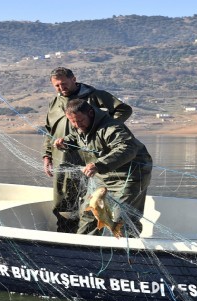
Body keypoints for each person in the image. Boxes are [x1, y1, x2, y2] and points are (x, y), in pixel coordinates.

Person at [42, 67, 133, 233]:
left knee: (89, 201)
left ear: (74, 79)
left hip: (89, 161)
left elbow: (124, 110)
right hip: (62, 161)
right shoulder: (54, 103)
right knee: (63, 203)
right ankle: (65, 237)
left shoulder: (94, 96)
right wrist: (47, 155)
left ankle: (89, 238)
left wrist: (103, 128)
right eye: (57, 85)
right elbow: (50, 132)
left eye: (64, 83)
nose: (61, 88)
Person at [53, 99, 152, 237]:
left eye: (80, 121)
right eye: (72, 122)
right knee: (89, 212)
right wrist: (65, 144)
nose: (77, 125)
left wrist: (98, 165)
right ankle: (82, 249)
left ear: (91, 113)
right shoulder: (80, 126)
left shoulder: (111, 127)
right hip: (102, 174)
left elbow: (127, 148)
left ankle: (127, 253)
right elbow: (76, 137)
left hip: (129, 175)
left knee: (121, 216)